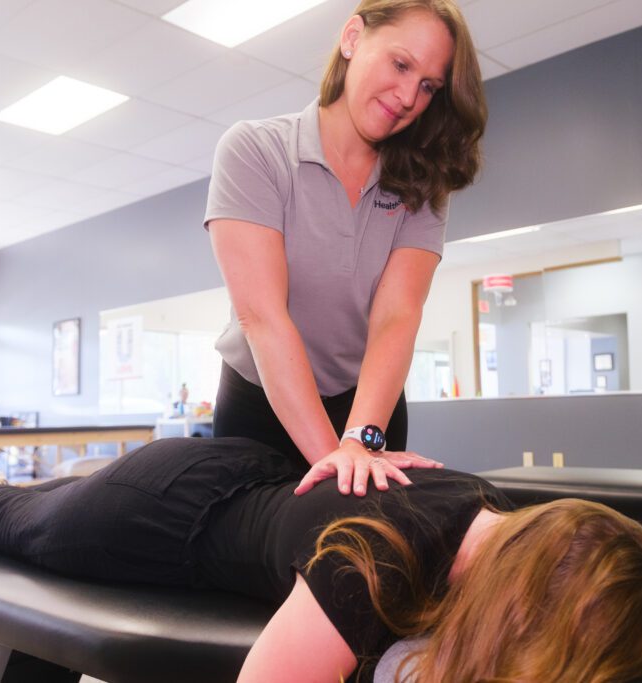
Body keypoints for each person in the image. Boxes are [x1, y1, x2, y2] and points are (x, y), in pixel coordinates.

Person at [0, 438, 642, 682]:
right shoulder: (379, 566)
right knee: (11, 518)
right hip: (162, 516)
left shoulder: (493, 509)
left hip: (250, 471)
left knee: (39, 499)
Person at [203, 0, 487, 496]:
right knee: (254, 562)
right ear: (352, 38)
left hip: (367, 409)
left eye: (428, 86)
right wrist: (336, 461)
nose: (407, 97)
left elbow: (397, 315)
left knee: (363, 557)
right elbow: (263, 318)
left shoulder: (422, 184)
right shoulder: (256, 151)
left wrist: (358, 441)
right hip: (262, 402)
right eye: (401, 64)